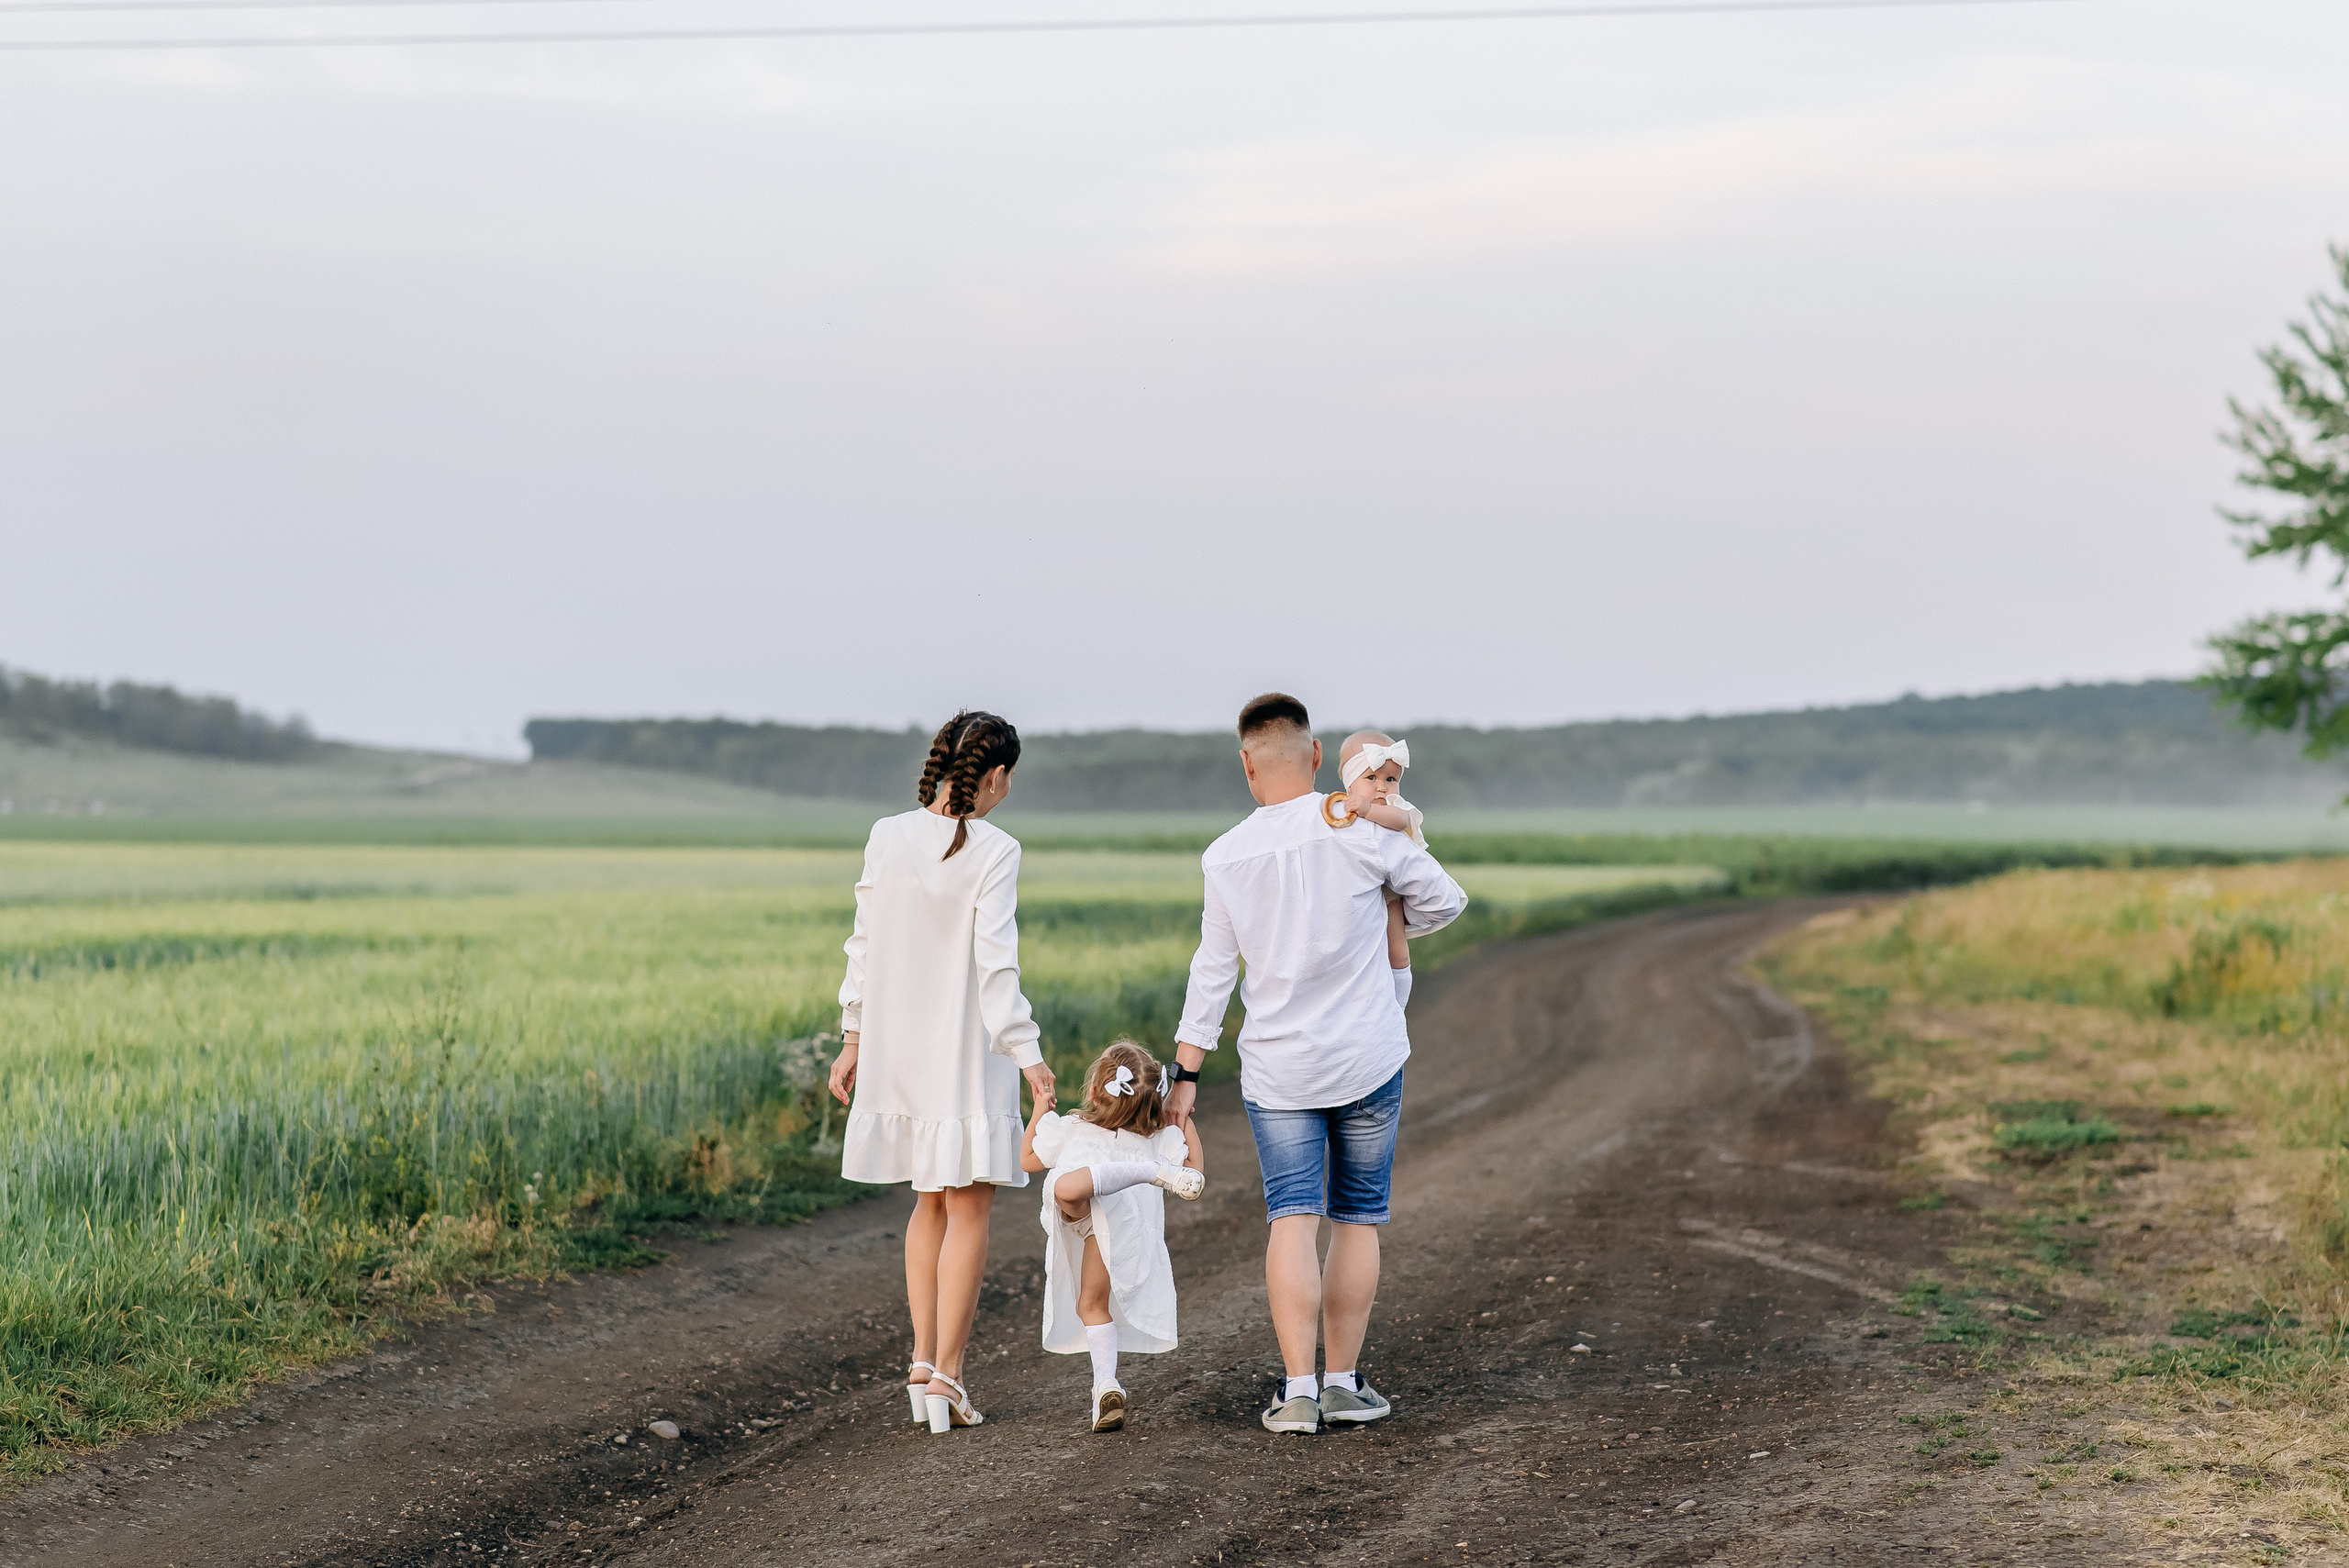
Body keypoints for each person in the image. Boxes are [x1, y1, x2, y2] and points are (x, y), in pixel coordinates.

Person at [1162, 694, 1466, 1436]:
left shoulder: (1225, 855)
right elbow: (1446, 901)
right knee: (1356, 1219)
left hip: (1278, 1072)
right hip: (1367, 1055)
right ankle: (1342, 1385)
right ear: (1317, 753)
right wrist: (1398, 903)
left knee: (1291, 1218)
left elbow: (1212, 971)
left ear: (1247, 764)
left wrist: (1186, 1074)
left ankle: (1296, 1392)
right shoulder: (1359, 826)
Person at [829, 709, 1057, 1435]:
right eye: (1008, 777)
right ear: (992, 776)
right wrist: (1031, 1056)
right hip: (966, 1048)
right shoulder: (997, 847)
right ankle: (949, 1377)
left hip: (900, 1049)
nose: (1008, 789)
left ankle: (923, 1362)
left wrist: (853, 1038)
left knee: (929, 1201)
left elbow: (860, 945)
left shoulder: (885, 835)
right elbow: (997, 967)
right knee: (971, 1207)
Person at [1019, 1040, 1207, 1433]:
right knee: (1091, 1304)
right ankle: (1105, 1383)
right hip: (1117, 1230)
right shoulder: (1156, 1140)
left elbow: (1028, 1160)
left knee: (1061, 1188)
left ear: (1093, 1091)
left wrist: (1039, 1109)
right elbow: (1194, 1170)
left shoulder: (1073, 1129)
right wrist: (1183, 1119)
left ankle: (1140, 1173)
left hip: (1094, 1214)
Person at [1326, 730, 1428, 1008]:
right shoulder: (1340, 810)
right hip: (1356, 891)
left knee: (1397, 952)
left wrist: (1369, 809)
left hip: (1390, 892)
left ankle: (1398, 1005)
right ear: (1349, 782)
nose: (1382, 787)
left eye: (1390, 779)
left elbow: (1399, 820)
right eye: (1371, 778)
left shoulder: (1392, 808)